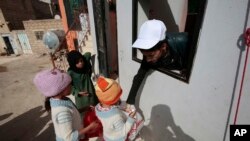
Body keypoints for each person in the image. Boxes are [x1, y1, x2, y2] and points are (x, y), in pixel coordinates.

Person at [126, 19, 188, 107]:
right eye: (145, 56)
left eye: (151, 56)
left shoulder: (185, 42)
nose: (147, 60)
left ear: (163, 46)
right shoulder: (149, 51)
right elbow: (139, 76)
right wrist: (130, 101)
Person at [33, 69, 98, 141]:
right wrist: (90, 127)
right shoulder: (62, 112)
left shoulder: (63, 99)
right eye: (69, 84)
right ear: (61, 89)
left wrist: (84, 108)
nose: (72, 86)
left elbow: (71, 113)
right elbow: (69, 138)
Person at [94, 77, 143, 141]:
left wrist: (120, 108)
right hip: (117, 139)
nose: (119, 98)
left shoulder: (97, 108)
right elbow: (123, 132)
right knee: (139, 120)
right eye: (118, 97)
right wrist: (131, 118)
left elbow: (109, 114)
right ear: (114, 100)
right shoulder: (116, 116)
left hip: (107, 136)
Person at [67, 50, 99, 115]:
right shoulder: (71, 73)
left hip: (91, 93)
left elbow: (88, 53)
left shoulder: (85, 64)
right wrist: (77, 92)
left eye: (81, 60)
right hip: (82, 99)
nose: (80, 63)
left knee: (95, 110)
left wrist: (83, 58)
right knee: (85, 114)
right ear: (72, 63)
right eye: (77, 62)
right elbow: (68, 86)